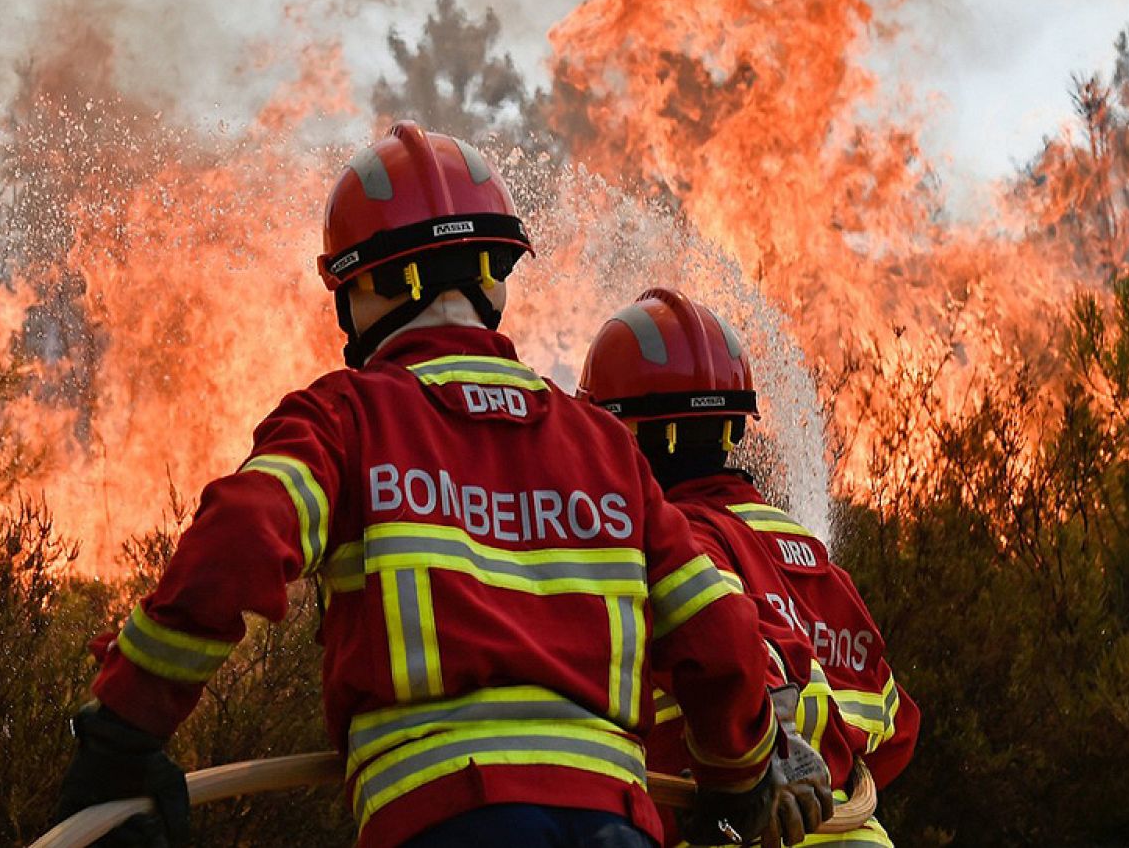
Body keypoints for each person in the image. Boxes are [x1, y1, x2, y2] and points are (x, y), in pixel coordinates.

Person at [54, 123, 833, 848]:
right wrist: (740, 773)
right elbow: (715, 628)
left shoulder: (347, 417)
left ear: (364, 290)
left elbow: (235, 542)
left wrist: (125, 732)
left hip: (446, 820)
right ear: (494, 277)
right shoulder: (603, 445)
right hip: (613, 827)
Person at [578, 288, 921, 846]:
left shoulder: (669, 542)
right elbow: (895, 725)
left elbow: (740, 647)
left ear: (620, 434)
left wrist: (770, 750)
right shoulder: (804, 548)